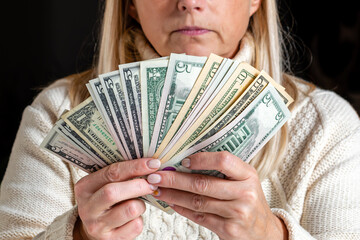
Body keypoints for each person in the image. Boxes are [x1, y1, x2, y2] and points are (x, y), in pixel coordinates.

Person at [1, 0, 359, 239]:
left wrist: (272, 234)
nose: (188, 1)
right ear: (130, 5)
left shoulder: (327, 127)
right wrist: (77, 235)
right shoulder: (57, 112)